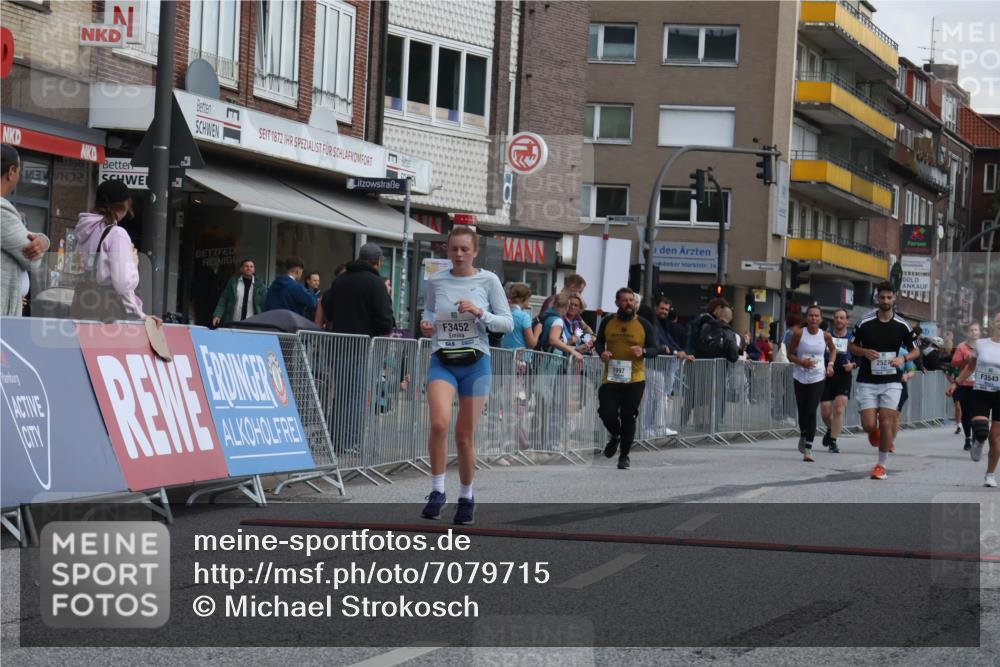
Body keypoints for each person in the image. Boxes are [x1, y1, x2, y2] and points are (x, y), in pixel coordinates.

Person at [419, 227, 512, 524]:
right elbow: (430, 312)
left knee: (464, 436)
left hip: (476, 363)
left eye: (464, 249)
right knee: (438, 423)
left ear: (474, 252)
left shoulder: (488, 280)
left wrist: (480, 313)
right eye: (454, 249)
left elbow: (507, 324)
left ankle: (466, 496)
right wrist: (426, 323)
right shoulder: (436, 281)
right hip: (442, 360)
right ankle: (437, 491)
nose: (459, 255)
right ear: (447, 251)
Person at [847, 283, 918, 480]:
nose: (885, 301)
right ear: (877, 298)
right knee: (869, 425)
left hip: (892, 381)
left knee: (887, 420)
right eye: (882, 298)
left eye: (889, 298)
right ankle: (874, 433)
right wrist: (864, 352)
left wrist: (903, 359)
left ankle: (881, 464)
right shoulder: (864, 322)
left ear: (894, 298)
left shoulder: (903, 325)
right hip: (867, 381)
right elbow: (851, 345)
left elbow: (916, 350)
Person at [597, 287, 659, 470]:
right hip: (611, 378)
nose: (629, 304)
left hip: (635, 379)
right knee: (606, 413)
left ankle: (624, 456)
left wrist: (644, 351)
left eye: (631, 300)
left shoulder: (644, 324)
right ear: (617, 303)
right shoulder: (608, 321)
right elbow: (599, 342)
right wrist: (602, 353)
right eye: (624, 301)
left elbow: (656, 348)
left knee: (628, 416)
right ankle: (615, 435)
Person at [72, 179, 146, 321]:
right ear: (125, 204)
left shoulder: (82, 230)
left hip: (82, 308)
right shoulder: (117, 234)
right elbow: (123, 285)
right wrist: (133, 263)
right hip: (107, 316)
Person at [948, 312, 1000, 486]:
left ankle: (990, 475)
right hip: (982, 391)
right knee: (981, 430)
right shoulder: (981, 344)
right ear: (993, 323)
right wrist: (956, 383)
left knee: (996, 437)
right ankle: (978, 440)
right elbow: (970, 367)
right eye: (999, 320)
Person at [1, 145, 49, 317]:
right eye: (19, 170)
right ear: (11, 171)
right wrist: (41, 243)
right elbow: (32, 259)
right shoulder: (2, 213)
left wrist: (42, 240)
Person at [787, 305, 837, 461]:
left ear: (821, 318)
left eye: (816, 316)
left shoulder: (826, 336)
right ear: (806, 318)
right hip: (800, 376)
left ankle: (808, 448)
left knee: (811, 410)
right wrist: (801, 362)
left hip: (818, 376)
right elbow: (790, 355)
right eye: (811, 315)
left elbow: (833, 350)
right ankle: (803, 433)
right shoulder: (799, 333)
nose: (814, 318)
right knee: (802, 410)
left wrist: (830, 365)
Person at [318, 243, 394, 336]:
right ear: (378, 261)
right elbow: (385, 322)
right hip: (364, 346)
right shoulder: (377, 283)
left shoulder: (339, 280)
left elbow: (329, 312)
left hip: (338, 344)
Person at [820, 308, 856, 453]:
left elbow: (859, 357)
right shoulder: (826, 336)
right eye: (836, 318)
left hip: (844, 375)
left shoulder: (852, 338)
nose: (839, 320)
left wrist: (852, 365)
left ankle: (833, 441)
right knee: (825, 412)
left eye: (842, 318)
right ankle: (831, 429)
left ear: (847, 321)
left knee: (839, 408)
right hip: (827, 375)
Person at [950, 323, 981, 452]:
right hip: (964, 384)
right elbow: (954, 362)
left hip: (978, 385)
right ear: (968, 333)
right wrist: (966, 360)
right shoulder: (962, 347)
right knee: (966, 414)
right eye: (971, 330)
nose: (974, 332)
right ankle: (968, 438)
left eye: (976, 330)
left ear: (979, 333)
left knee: (977, 414)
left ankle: (975, 437)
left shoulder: (983, 347)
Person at [211, 258, 267, 327]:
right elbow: (223, 299)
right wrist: (217, 315)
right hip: (234, 322)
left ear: (254, 269)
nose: (249, 268)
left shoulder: (260, 284)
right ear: (241, 269)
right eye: (246, 266)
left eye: (251, 266)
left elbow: (264, 304)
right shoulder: (233, 282)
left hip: (252, 323)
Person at [501, 283, 539, 350]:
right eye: (529, 299)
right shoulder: (524, 317)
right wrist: (537, 332)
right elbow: (532, 344)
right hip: (520, 357)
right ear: (524, 299)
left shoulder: (505, 313)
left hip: (504, 356)